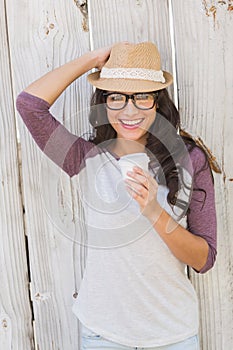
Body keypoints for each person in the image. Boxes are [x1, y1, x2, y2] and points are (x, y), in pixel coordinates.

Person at [16, 41, 217, 350]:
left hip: (172, 334)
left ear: (157, 102)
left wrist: (153, 211)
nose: (129, 110)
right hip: (103, 335)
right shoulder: (84, 157)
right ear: (103, 103)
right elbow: (30, 106)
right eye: (116, 97)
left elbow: (203, 260)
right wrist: (92, 61)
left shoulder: (190, 160)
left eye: (141, 97)